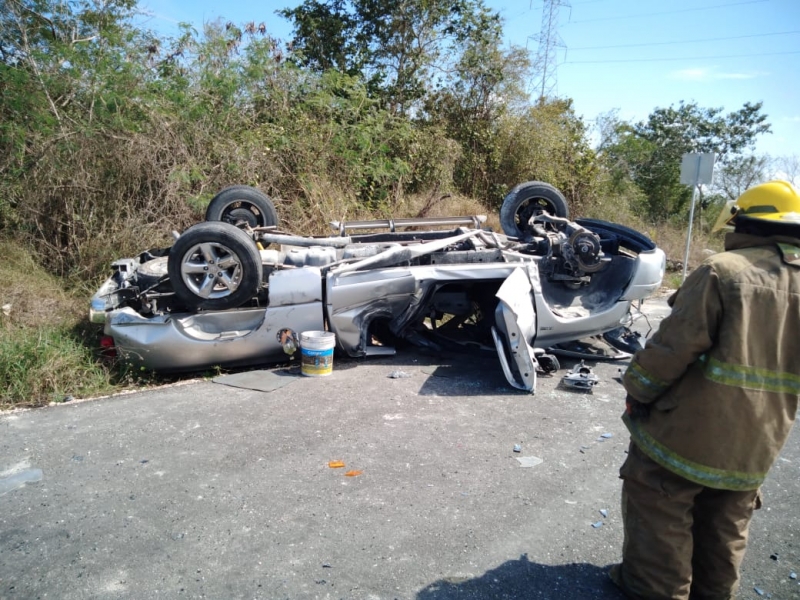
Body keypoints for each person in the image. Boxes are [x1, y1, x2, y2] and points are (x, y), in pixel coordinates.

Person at [609, 180, 800, 600]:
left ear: (744, 221)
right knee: (726, 522)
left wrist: (637, 390)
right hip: (758, 444)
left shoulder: (724, 272)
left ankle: (656, 589)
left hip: (686, 435)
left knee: (660, 502)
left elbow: (672, 348)